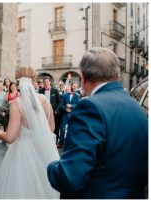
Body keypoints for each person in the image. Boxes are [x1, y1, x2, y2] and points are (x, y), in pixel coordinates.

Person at [47, 47, 148, 199]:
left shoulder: (90, 107)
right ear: (117, 74)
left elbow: (69, 178)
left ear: (83, 77)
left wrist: (52, 166)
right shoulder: (138, 108)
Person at [0, 66, 59, 199]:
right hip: (43, 150)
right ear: (33, 80)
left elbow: (10, 137)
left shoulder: (16, 103)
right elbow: (51, 129)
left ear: (18, 81)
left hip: (22, 153)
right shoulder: (44, 100)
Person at [57, 82, 80, 148]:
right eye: (73, 86)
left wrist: (71, 106)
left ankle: (71, 144)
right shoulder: (65, 95)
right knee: (62, 129)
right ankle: (61, 143)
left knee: (72, 129)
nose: (75, 87)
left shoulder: (77, 95)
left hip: (73, 115)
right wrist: (66, 109)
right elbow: (61, 105)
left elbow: (78, 105)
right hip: (65, 115)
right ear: (71, 86)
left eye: (76, 86)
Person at [39, 77, 61, 143]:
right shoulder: (40, 91)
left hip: (54, 112)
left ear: (50, 82)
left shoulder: (55, 90)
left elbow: (59, 102)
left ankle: (55, 140)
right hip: (44, 112)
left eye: (47, 81)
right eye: (44, 82)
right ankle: (46, 140)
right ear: (43, 83)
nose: (46, 83)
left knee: (55, 126)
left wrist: (57, 110)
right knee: (44, 126)